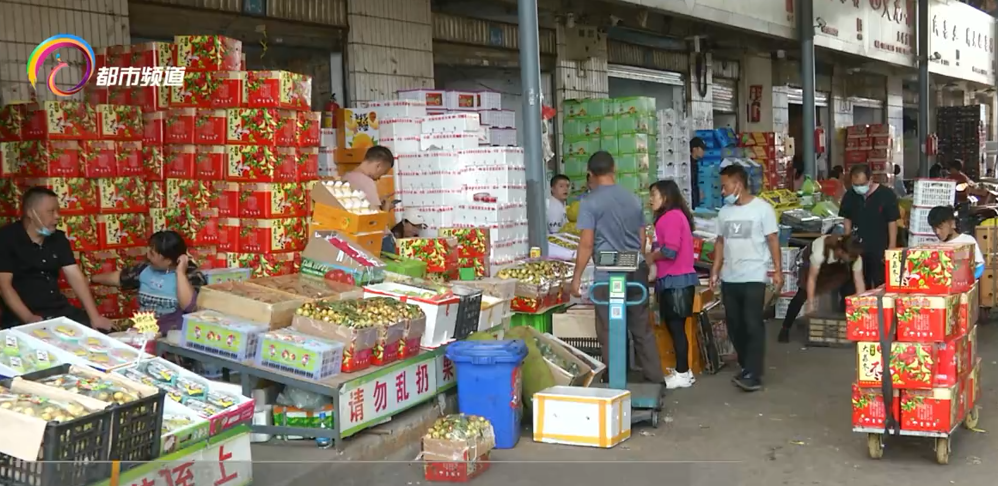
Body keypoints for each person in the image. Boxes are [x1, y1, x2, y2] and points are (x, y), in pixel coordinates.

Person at [571, 151, 664, 385]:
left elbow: (586, 243)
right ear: (614, 170)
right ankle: (655, 379)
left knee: (610, 328)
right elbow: (642, 236)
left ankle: (616, 381)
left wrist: (576, 279)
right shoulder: (632, 198)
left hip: (608, 271)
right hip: (635, 265)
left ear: (590, 174)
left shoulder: (590, 202)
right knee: (641, 326)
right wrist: (637, 259)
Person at [710, 164, 782, 392]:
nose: (723, 191)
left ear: (738, 184)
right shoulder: (724, 213)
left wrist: (777, 269)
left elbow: (772, 240)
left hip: (754, 276)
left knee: (752, 324)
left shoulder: (763, 210)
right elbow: (720, 241)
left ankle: (754, 373)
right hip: (730, 277)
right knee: (735, 326)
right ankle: (746, 365)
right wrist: (715, 269)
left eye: (725, 186)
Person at [0, 187, 113, 330]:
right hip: (24, 316)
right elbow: (4, 286)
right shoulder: (6, 238)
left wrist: (94, 317)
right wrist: (29, 318)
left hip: (58, 311)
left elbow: (75, 277)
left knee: (102, 333)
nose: (57, 216)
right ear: (31, 213)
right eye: (51, 211)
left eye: (58, 211)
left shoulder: (58, 239)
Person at [90, 231, 206, 334]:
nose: (147, 256)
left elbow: (189, 306)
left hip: (170, 337)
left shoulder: (192, 275)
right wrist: (91, 279)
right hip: (143, 332)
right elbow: (119, 278)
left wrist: (180, 272)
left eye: (152, 254)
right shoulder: (145, 268)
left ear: (168, 260)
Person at [644, 180, 697, 389]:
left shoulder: (671, 217)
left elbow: (670, 250)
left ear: (665, 197)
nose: (650, 200)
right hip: (675, 280)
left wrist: (650, 257)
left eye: (653, 195)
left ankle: (683, 373)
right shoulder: (671, 217)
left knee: (676, 328)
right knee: (676, 328)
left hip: (676, 281)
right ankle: (684, 371)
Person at [777, 234, 865, 343]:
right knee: (802, 295)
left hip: (834, 268)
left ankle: (847, 327)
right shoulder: (820, 251)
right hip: (811, 264)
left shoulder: (855, 257)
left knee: (848, 287)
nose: (853, 259)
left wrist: (861, 305)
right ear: (842, 252)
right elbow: (812, 279)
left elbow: (859, 281)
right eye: (850, 257)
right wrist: (810, 304)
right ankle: (785, 328)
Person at [839, 164, 900, 289]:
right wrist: (846, 244)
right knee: (859, 282)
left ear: (870, 180)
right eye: (855, 185)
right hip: (858, 247)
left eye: (862, 184)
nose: (858, 188)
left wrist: (891, 247)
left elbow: (892, 222)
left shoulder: (886, 195)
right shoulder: (850, 196)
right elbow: (847, 219)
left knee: (881, 283)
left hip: (880, 247)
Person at [343, 146, 396, 252]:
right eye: (383, 173)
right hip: (376, 241)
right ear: (378, 166)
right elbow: (376, 220)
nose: (379, 177)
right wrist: (386, 208)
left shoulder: (345, 177)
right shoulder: (367, 182)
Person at [927, 206, 986, 279]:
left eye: (940, 227)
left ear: (952, 223)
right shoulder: (937, 246)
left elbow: (980, 266)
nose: (937, 232)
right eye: (934, 228)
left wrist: (969, 279)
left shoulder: (968, 241)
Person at [690, 137, 706, 207]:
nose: (703, 151)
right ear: (694, 149)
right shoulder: (689, 164)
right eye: (702, 148)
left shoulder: (696, 163)